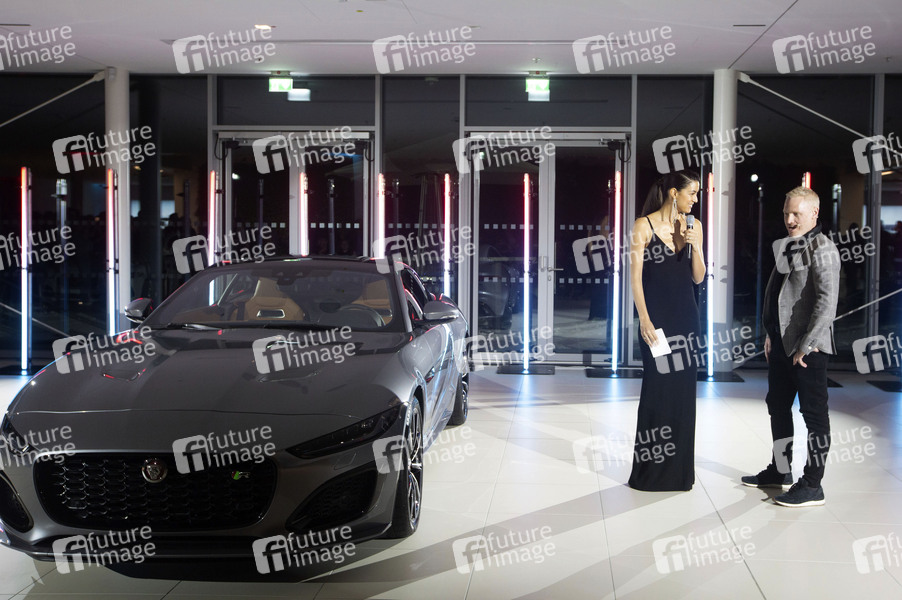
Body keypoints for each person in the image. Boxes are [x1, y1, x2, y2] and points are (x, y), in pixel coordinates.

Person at [741, 186, 840, 507]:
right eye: (786, 213)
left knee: (814, 416)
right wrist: (771, 333)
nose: (790, 219)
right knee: (778, 407)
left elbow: (827, 303)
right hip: (783, 345)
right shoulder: (790, 245)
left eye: (796, 213)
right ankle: (780, 470)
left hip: (808, 350)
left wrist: (806, 345)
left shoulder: (823, 248)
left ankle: (812, 485)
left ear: (814, 213)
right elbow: (781, 294)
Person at [628, 170, 705, 492]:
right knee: (658, 392)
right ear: (674, 193)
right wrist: (644, 319)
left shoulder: (693, 226)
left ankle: (679, 474)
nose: (695, 199)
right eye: (692, 193)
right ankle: (649, 474)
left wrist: (696, 247)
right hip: (656, 323)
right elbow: (635, 279)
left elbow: (698, 278)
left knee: (683, 396)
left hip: (686, 321)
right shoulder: (642, 226)